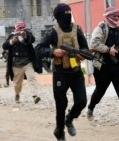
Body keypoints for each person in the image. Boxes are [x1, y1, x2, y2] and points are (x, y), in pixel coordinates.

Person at [35, 3, 88, 141]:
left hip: (76, 71)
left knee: (82, 101)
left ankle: (69, 118)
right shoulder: (53, 32)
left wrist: (83, 54)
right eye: (65, 13)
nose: (68, 15)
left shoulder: (77, 29)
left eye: (69, 12)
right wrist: (53, 52)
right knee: (61, 104)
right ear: (58, 16)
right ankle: (59, 131)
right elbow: (39, 48)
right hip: (60, 73)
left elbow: (85, 48)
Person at [86, 6, 119, 125]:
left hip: (118, 65)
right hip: (103, 66)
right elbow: (93, 43)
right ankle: (90, 109)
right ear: (108, 16)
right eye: (114, 16)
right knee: (100, 90)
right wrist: (108, 49)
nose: (116, 18)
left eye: (118, 16)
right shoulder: (101, 28)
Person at [2, 20, 42, 104]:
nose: (21, 30)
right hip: (16, 64)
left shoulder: (27, 34)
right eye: (20, 28)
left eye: (23, 28)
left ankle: (35, 96)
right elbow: (4, 46)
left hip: (28, 62)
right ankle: (17, 94)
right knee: (17, 83)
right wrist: (12, 41)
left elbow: (33, 40)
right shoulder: (12, 36)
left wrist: (26, 36)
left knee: (32, 78)